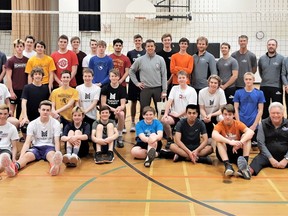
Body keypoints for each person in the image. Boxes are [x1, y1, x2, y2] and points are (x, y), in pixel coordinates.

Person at [16, 100, 63, 176]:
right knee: (27, 156)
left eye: (48, 110)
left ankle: (55, 166)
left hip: (49, 147)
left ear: (50, 111)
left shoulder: (55, 123)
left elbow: (57, 141)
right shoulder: (32, 124)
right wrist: (21, 157)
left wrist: (58, 153)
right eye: (43, 110)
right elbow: (27, 142)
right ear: (39, 110)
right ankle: (15, 167)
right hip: (36, 147)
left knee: (52, 155)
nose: (45, 112)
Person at [212, 104, 254, 179]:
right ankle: (227, 165)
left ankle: (245, 166)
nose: (227, 117)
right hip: (225, 152)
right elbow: (214, 135)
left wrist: (240, 142)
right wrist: (229, 142)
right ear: (222, 115)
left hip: (237, 151)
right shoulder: (219, 125)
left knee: (247, 138)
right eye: (225, 114)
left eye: (230, 114)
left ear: (233, 115)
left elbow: (251, 132)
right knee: (219, 141)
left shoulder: (237, 124)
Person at [129, 39, 167, 119]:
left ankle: (161, 128)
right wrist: (137, 83)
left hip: (158, 89)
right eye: (148, 46)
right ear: (145, 47)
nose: (150, 48)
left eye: (151, 46)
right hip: (145, 89)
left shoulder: (160, 59)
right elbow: (131, 71)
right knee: (144, 110)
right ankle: (143, 128)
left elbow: (164, 75)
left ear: (155, 47)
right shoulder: (140, 60)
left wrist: (164, 90)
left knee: (160, 110)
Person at [248, 102, 288, 177]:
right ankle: (247, 172)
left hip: (285, 155)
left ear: (282, 114)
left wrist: (286, 159)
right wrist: (270, 158)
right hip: (266, 156)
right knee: (256, 161)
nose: (275, 115)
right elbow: (260, 143)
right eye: (273, 113)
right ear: (269, 113)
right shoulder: (263, 124)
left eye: (278, 113)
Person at [161, 71, 197, 149]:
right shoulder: (174, 88)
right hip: (175, 115)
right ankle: (170, 138)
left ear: (187, 79)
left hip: (186, 117)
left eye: (183, 78)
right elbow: (169, 102)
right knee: (164, 120)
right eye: (180, 78)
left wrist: (179, 115)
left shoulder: (191, 90)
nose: (181, 79)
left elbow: (190, 107)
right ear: (177, 79)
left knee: (186, 141)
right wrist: (166, 114)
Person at [234, 72, 265, 147]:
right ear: (244, 80)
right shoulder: (238, 92)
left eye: (250, 79)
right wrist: (238, 123)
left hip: (253, 124)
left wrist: (255, 125)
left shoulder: (259, 93)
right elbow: (235, 108)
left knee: (254, 147)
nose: (248, 81)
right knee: (240, 145)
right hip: (242, 122)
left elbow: (260, 110)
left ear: (253, 80)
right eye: (246, 79)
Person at [20, 67, 50, 140]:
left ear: (42, 76)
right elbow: (24, 102)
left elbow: (48, 103)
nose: (37, 76)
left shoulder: (46, 88)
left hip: (41, 115)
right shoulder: (27, 87)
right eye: (36, 74)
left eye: (39, 74)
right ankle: (27, 141)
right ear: (32, 76)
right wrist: (25, 116)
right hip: (29, 114)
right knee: (24, 126)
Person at [101, 69, 127, 148]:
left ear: (119, 77)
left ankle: (119, 135)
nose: (114, 78)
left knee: (121, 114)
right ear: (109, 77)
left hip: (117, 112)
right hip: (108, 111)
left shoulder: (122, 88)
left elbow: (123, 104)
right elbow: (103, 104)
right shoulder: (105, 88)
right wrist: (113, 109)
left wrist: (119, 108)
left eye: (116, 76)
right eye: (112, 76)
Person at [258, 39, 284, 119]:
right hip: (264, 86)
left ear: (276, 46)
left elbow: (283, 72)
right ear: (267, 46)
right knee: (265, 108)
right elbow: (261, 72)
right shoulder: (262, 58)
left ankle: (279, 126)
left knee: (278, 108)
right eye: (269, 44)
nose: (271, 46)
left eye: (273, 45)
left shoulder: (281, 58)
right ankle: (265, 126)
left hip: (277, 86)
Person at [5, 39, 29, 119]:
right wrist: (11, 91)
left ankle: (18, 126)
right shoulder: (11, 61)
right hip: (14, 89)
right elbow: (8, 77)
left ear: (23, 47)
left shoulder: (27, 60)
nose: (19, 48)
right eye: (17, 46)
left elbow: (29, 75)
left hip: (24, 89)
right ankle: (11, 126)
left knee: (21, 109)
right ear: (15, 48)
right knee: (11, 110)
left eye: (21, 46)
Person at [127, 34, 146, 132]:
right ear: (134, 42)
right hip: (134, 82)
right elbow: (130, 69)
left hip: (144, 81)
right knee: (133, 102)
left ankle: (141, 121)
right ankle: (133, 122)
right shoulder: (130, 53)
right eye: (136, 40)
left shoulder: (146, 52)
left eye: (139, 40)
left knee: (143, 102)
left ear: (142, 41)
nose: (138, 42)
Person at [199, 75, 227, 139]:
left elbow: (222, 110)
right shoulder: (202, 92)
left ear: (218, 84)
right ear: (208, 83)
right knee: (209, 139)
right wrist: (205, 116)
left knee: (222, 118)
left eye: (215, 83)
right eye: (211, 82)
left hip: (216, 115)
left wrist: (211, 115)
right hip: (205, 116)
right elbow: (201, 108)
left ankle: (224, 135)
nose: (213, 84)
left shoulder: (221, 92)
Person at [0, 104, 19, 177]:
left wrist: (14, 158)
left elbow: (14, 146)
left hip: (5, 150)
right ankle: (8, 168)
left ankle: (7, 166)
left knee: (3, 160)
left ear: (8, 114)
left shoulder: (12, 128)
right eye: (0, 114)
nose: (2, 116)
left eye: (5, 114)